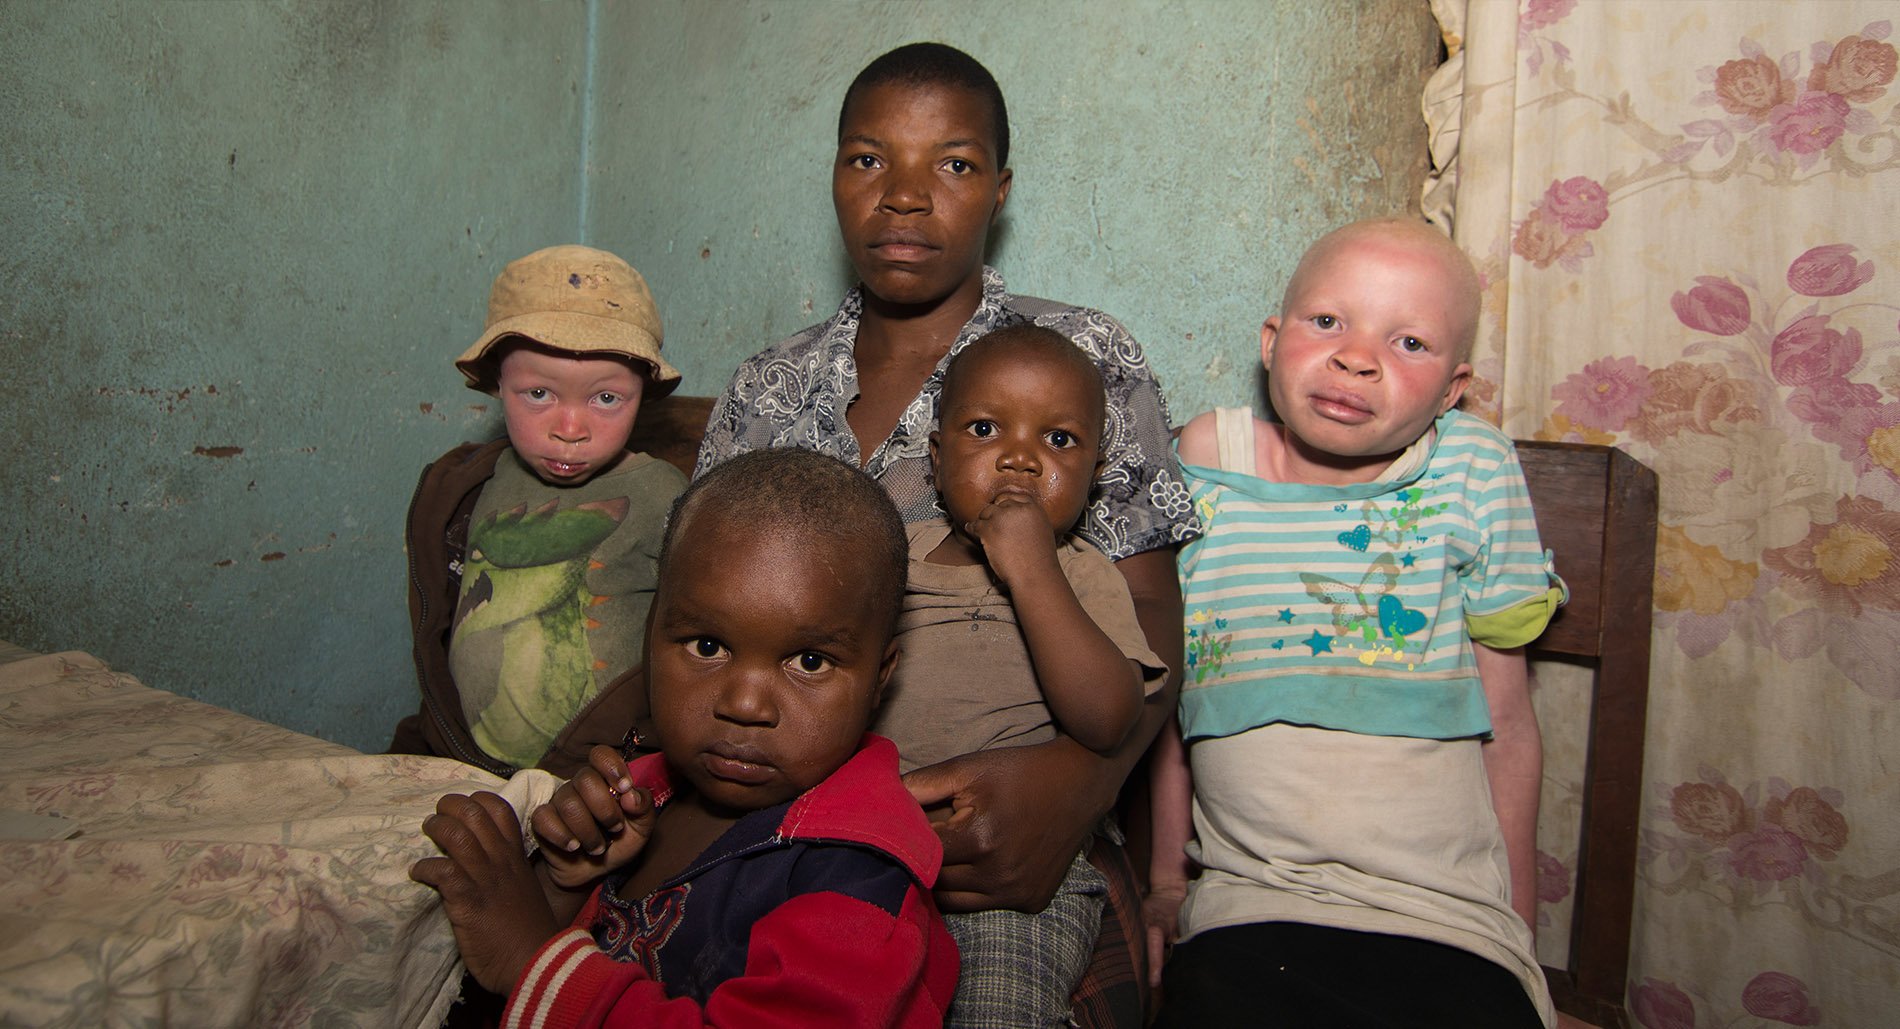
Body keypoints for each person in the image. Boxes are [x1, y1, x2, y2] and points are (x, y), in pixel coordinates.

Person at [695, 41, 1198, 1023]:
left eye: (953, 165)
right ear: (836, 175)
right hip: (794, 818)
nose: (906, 196)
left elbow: (1149, 618)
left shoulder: (1078, 359)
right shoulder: (766, 387)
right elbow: (696, 621)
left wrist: (1079, 788)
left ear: (1000, 190)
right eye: (868, 159)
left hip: (990, 828)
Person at [1144, 217, 1565, 1028]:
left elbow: (1508, 725)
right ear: (1271, 340)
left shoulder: (1471, 468)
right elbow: (1174, 697)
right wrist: (1168, 882)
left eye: (1409, 342)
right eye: (1328, 321)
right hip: (1249, 909)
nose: (1358, 356)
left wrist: (1520, 936)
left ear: (1452, 390)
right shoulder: (1209, 463)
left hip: (1449, 919)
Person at [410, 448, 958, 1028]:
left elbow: (534, 973)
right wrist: (564, 886)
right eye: (706, 646)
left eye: (811, 661)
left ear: (880, 679)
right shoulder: (638, 791)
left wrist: (529, 962)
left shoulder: (860, 886)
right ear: (650, 635)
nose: (744, 705)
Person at [879, 325, 1169, 1025]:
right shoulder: (890, 556)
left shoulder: (1082, 576)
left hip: (1012, 883)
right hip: (872, 845)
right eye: (986, 428)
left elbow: (1108, 718)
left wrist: (1034, 569)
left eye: (1059, 440)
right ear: (938, 455)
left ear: (1096, 475)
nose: (1020, 458)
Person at [388, 245, 687, 779]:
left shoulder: (665, 496)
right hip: (464, 763)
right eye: (539, 393)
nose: (570, 428)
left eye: (606, 399)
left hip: (599, 783)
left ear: (644, 393)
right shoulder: (472, 483)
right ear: (495, 383)